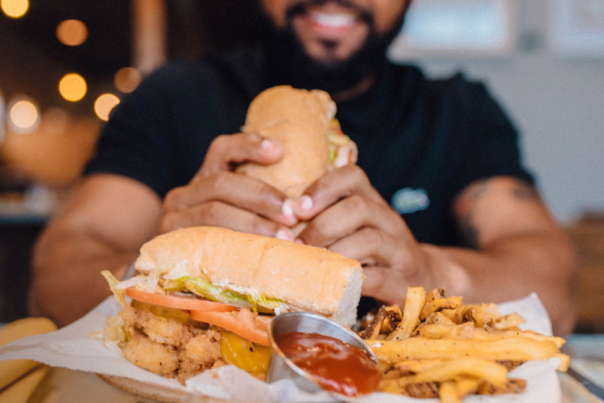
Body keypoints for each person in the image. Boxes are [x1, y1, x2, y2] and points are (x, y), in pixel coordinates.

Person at [28, 0, 577, 335]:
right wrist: (158, 263)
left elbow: (555, 290)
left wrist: (435, 275)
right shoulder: (175, 96)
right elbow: (53, 278)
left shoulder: (459, 111)